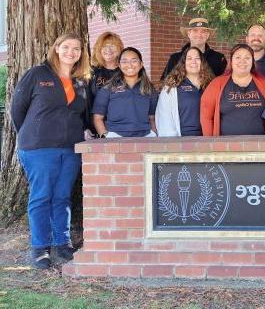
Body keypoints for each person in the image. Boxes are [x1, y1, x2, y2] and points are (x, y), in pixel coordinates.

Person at [11, 33, 91, 269]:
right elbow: (17, 110)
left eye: (76, 48)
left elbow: (81, 115)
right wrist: (32, 133)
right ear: (56, 48)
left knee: (63, 197)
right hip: (39, 148)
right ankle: (40, 248)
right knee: (42, 196)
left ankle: (63, 243)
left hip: (70, 149)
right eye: (66, 47)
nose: (71, 52)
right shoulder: (38, 74)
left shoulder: (80, 81)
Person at [200, 43, 265, 136]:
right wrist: (210, 143)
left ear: (252, 62)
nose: (242, 61)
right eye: (238, 57)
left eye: (247, 58)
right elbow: (206, 116)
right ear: (231, 61)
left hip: (260, 145)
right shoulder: (217, 84)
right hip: (226, 146)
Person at [93, 47, 158, 138]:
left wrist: (154, 134)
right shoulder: (108, 88)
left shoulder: (149, 89)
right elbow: (97, 118)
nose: (129, 65)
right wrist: (106, 137)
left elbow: (152, 117)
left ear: (141, 64)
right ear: (119, 65)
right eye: (124, 61)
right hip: (114, 136)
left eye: (134, 60)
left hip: (146, 136)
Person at [155, 47, 214, 136]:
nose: (193, 61)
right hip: (182, 140)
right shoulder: (171, 87)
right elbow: (164, 116)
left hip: (207, 139)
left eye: (197, 58)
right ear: (183, 63)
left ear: (202, 63)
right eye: (189, 58)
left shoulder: (211, 85)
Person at [161, 17, 227, 79]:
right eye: (195, 30)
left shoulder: (219, 59)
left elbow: (225, 85)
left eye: (203, 31)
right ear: (189, 33)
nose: (199, 34)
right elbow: (164, 84)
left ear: (207, 35)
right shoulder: (175, 58)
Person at [89, 31, 124, 98]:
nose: (108, 49)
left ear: (119, 48)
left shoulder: (126, 71)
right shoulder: (92, 72)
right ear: (99, 50)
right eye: (104, 46)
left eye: (112, 45)